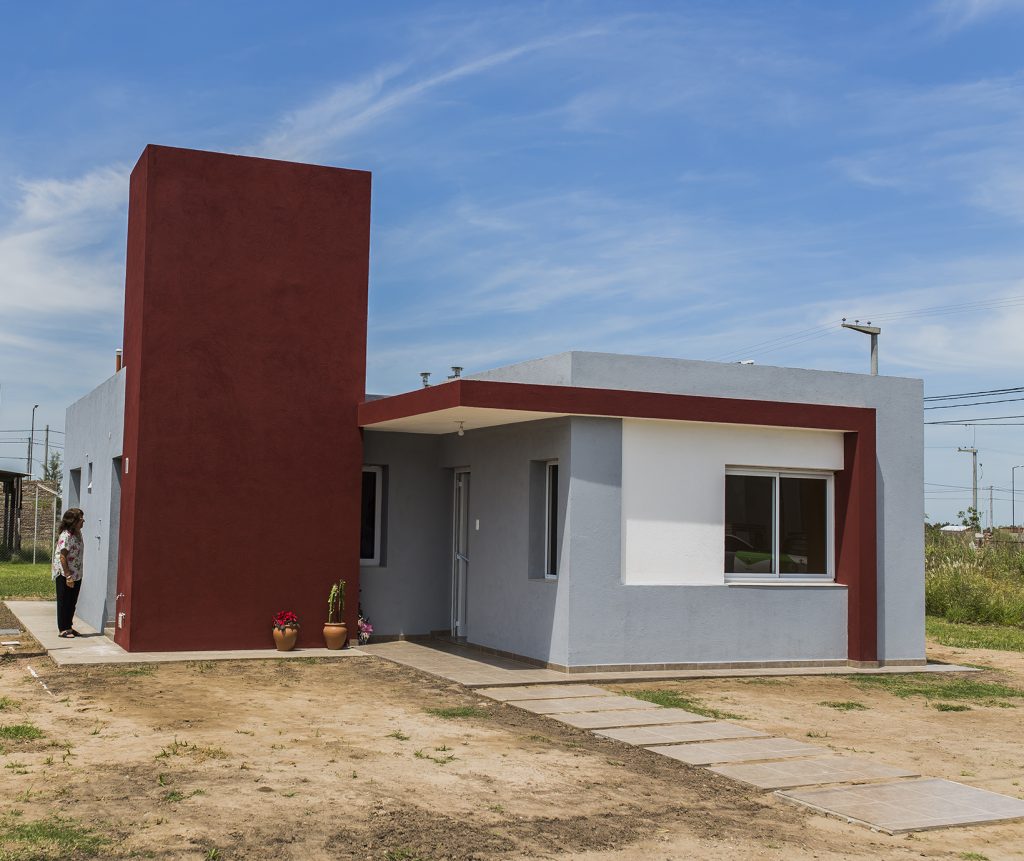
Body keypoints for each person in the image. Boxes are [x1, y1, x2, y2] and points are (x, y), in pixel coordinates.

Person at [52, 508, 85, 638]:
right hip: (65, 574)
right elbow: (62, 557)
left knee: (72, 601)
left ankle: (69, 627)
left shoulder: (78, 534)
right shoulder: (66, 536)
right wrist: (68, 576)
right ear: (73, 521)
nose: (83, 521)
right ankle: (63, 629)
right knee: (64, 600)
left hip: (76, 573)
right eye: (81, 519)